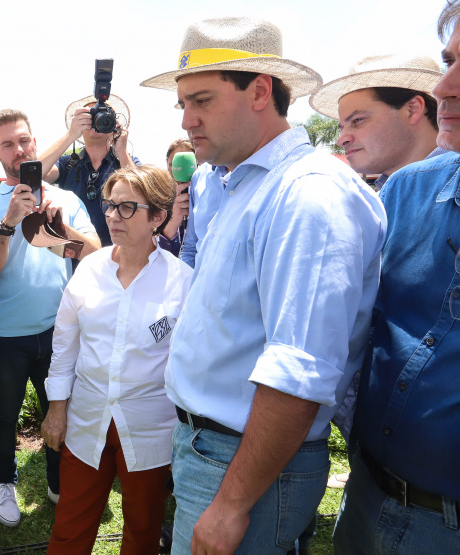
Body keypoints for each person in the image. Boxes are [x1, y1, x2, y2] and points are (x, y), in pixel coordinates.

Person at [139, 16, 387, 554]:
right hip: (218, 451)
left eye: (201, 100)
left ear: (259, 91)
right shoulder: (228, 182)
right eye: (182, 104)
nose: (187, 120)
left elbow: (299, 372)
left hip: (242, 465)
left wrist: (230, 505)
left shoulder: (309, 196)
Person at [332, 3, 460, 552]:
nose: (445, 84)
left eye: (357, 120)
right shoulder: (405, 193)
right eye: (448, 60)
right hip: (368, 491)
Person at [41, 165, 191, 554]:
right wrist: (57, 410)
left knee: (143, 530)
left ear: (158, 217)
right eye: (110, 205)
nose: (111, 216)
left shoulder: (182, 282)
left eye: (126, 208)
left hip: (149, 426)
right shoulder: (90, 269)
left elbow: (186, 363)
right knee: (71, 526)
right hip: (87, 419)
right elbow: (65, 347)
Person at [0, 109, 100, 527]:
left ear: (34, 143)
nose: (19, 149)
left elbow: (95, 252)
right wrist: (10, 221)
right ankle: (5, 481)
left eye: (24, 140)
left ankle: (57, 480)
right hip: (5, 334)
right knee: (4, 415)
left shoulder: (64, 198)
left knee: (58, 410)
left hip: (58, 330)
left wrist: (63, 232)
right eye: (8, 144)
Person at [310, 53, 443, 190]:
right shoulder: (391, 194)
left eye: (358, 120)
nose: (341, 140)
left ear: (412, 109)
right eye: (342, 128)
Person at [40, 95, 139, 246]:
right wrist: (70, 135)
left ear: (114, 124)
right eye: (90, 115)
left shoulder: (127, 161)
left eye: (103, 114)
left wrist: (122, 152)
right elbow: (33, 174)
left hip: (118, 256)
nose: (95, 119)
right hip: (75, 256)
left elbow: (141, 192)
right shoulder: (68, 163)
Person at [158, 138, 195, 256]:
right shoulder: (155, 198)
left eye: (186, 165)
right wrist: (171, 224)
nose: (179, 170)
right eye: (175, 165)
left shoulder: (208, 194)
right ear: (167, 162)